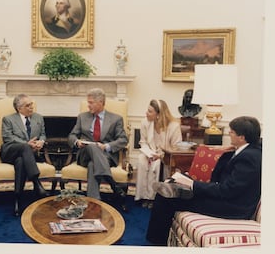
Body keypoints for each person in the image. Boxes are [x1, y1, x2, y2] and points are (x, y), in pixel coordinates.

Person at [146, 116, 262, 246]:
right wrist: (227, 152)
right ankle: (175, 184)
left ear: (242, 137)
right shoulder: (246, 151)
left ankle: (157, 244)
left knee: (166, 198)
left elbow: (228, 190)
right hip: (226, 199)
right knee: (175, 184)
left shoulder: (250, 157)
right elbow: (220, 180)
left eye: (232, 132)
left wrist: (193, 185)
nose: (229, 133)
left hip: (233, 208)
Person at [67, 88, 128, 210]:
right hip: (84, 154)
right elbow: (71, 136)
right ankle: (112, 183)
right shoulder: (82, 117)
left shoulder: (116, 119)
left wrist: (106, 146)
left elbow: (123, 140)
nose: (88, 105)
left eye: (91, 102)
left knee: (92, 165)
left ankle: (93, 202)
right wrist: (77, 141)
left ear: (100, 102)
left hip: (105, 156)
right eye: (88, 102)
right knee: (92, 146)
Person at [0, 93, 49, 216]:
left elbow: (43, 134)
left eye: (31, 104)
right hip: (10, 152)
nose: (31, 107)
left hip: (26, 156)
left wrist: (41, 142)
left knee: (21, 161)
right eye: (28, 105)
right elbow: (8, 138)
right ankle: (36, 183)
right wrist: (27, 144)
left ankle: (17, 199)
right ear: (19, 108)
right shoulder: (8, 119)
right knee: (24, 147)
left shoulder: (39, 118)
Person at [134, 99, 182, 208]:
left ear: (159, 114)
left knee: (156, 164)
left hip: (165, 156)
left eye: (150, 111)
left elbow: (176, 148)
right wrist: (149, 154)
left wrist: (160, 156)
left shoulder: (173, 126)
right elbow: (143, 142)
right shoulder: (145, 122)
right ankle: (142, 196)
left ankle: (153, 197)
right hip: (149, 153)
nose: (146, 113)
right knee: (141, 160)